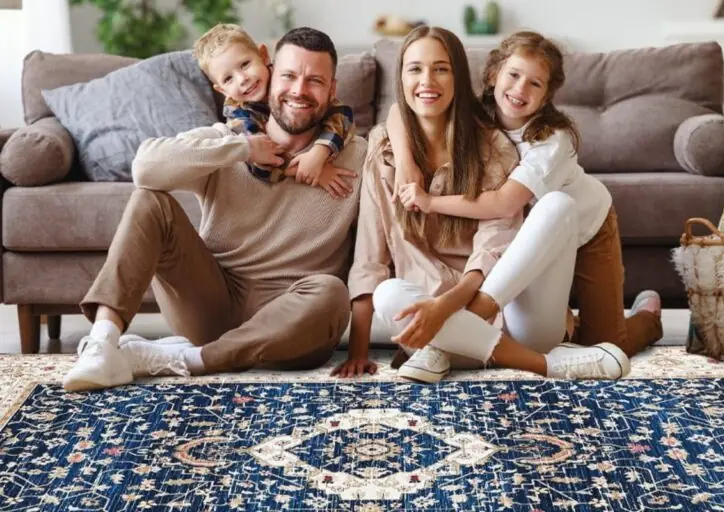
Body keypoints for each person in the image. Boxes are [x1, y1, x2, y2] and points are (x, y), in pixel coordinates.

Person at [62, 27, 366, 391]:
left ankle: (186, 359)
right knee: (149, 200)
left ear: (332, 90)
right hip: (211, 303)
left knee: (331, 293)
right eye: (288, 76)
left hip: (293, 320)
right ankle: (102, 344)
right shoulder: (227, 140)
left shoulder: (358, 156)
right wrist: (241, 149)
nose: (299, 90)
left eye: (314, 80)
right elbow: (145, 169)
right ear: (270, 75)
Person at [332, 25, 629, 383]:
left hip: (503, 310)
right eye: (415, 68)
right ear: (491, 77)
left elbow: (499, 227)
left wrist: (448, 305)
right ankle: (531, 359)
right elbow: (369, 258)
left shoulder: (497, 143)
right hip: (430, 326)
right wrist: (358, 352)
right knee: (387, 293)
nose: (428, 79)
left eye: (441, 68)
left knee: (559, 209)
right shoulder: (384, 149)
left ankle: (634, 322)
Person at [387, 30, 663, 365]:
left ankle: (648, 319)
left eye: (535, 84)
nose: (519, 90)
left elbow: (505, 203)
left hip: (587, 228)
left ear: (547, 95)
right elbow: (398, 111)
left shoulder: (551, 141)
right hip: (528, 235)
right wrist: (404, 159)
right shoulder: (478, 115)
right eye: (514, 75)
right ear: (493, 76)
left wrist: (430, 202)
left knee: (604, 344)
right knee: (550, 328)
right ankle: (531, 328)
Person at [193, 23, 355, 196]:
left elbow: (343, 113)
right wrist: (312, 170)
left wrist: (319, 153)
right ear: (222, 90)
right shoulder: (238, 114)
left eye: (245, 64)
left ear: (263, 56)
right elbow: (262, 163)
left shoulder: (285, 77)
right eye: (228, 79)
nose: (242, 79)